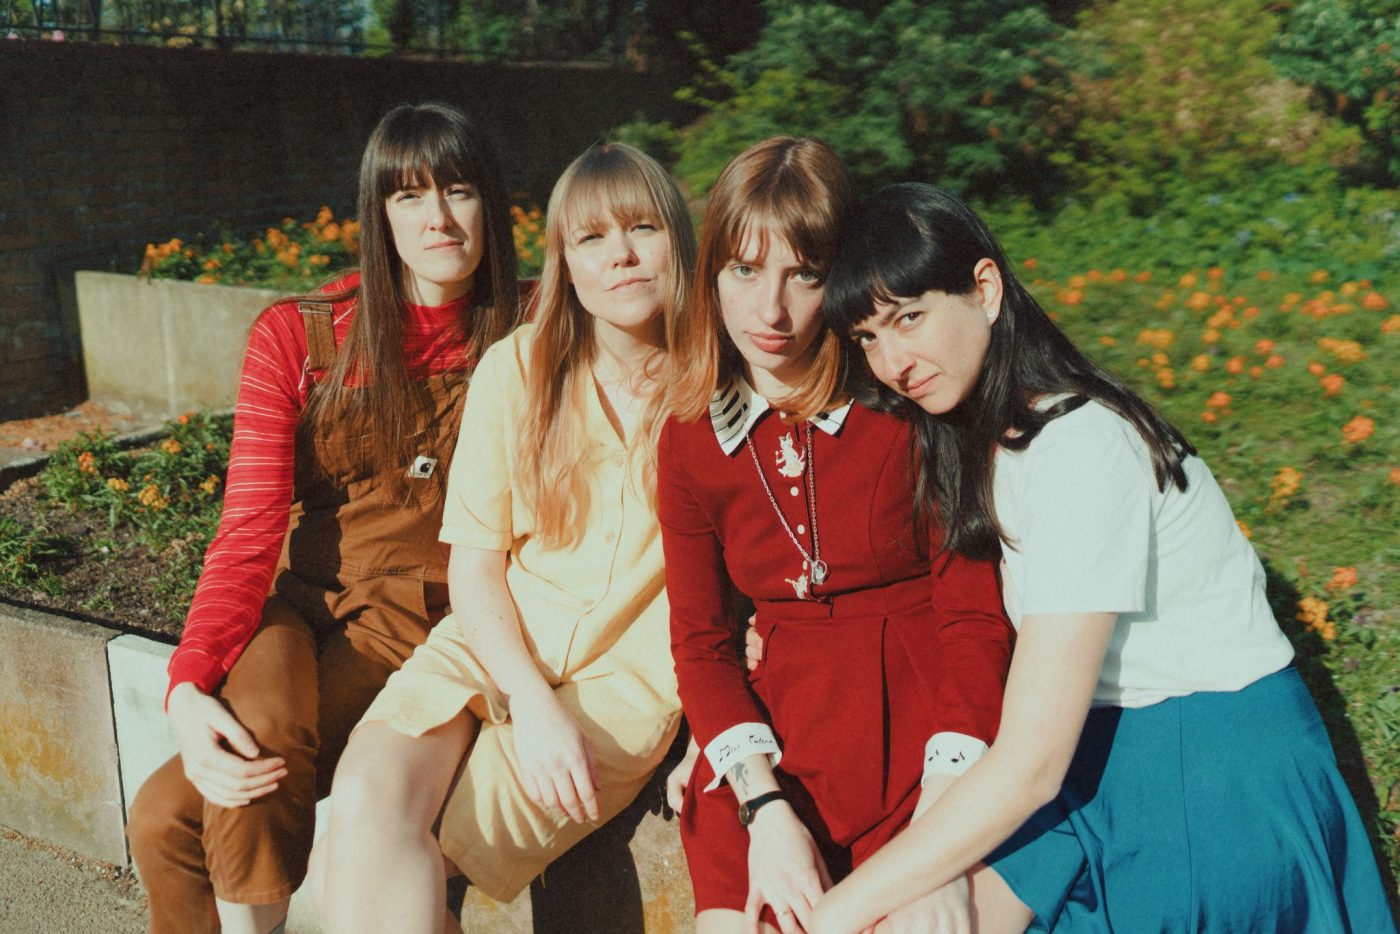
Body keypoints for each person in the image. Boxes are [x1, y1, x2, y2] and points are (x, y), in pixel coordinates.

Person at [810, 182, 1395, 933]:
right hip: (1099, 765)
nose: (893, 361)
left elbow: (1030, 763)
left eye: (909, 319)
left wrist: (829, 916)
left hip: (1209, 774)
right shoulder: (993, 436)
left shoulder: (1080, 445)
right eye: (867, 338)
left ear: (984, 290)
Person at [125, 101, 522, 934]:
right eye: (409, 197)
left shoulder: (532, 330)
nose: (438, 218)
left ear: (493, 202)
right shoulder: (299, 337)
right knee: (219, 766)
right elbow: (247, 529)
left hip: (412, 618)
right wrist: (189, 685)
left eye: (458, 191)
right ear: (378, 214)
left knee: (172, 819)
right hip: (295, 604)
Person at [311, 141, 695, 934]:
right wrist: (526, 698)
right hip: (495, 641)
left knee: (412, 859)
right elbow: (478, 565)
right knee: (362, 803)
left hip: (627, 682)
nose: (620, 256)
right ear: (565, 263)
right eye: (591, 239)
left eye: (643, 229)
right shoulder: (517, 367)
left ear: (678, 243)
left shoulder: (717, 384)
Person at [659, 138, 1014, 934]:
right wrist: (762, 807)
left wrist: (946, 809)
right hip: (773, 744)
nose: (769, 312)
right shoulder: (689, 438)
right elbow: (702, 642)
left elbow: (972, 615)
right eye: (744, 271)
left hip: (918, 720)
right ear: (711, 273)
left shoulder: (904, 402)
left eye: (803, 276)